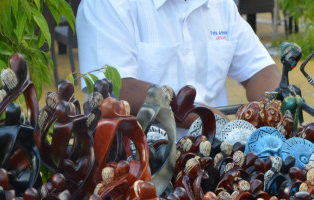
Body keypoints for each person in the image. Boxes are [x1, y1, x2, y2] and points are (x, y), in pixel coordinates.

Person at [76, 0, 280, 124]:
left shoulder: (220, 5)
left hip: (219, 157)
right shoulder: (106, 4)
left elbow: (261, 70)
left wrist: (273, 112)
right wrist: (206, 118)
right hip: (140, 165)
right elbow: (117, 90)